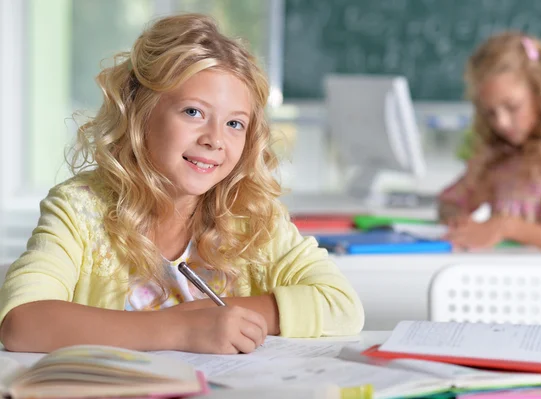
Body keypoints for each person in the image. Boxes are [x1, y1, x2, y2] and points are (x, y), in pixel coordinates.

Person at [0, 14, 364, 354]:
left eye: (234, 123)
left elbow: (342, 304)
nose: (214, 139)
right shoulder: (80, 209)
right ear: (141, 113)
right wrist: (182, 328)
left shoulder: (251, 214)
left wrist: (211, 314)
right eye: (194, 112)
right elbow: (21, 323)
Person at [438, 31, 541, 262]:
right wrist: (457, 219)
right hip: (507, 285)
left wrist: (505, 227)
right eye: (490, 112)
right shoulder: (498, 158)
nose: (501, 122)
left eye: (512, 107)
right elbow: (449, 201)